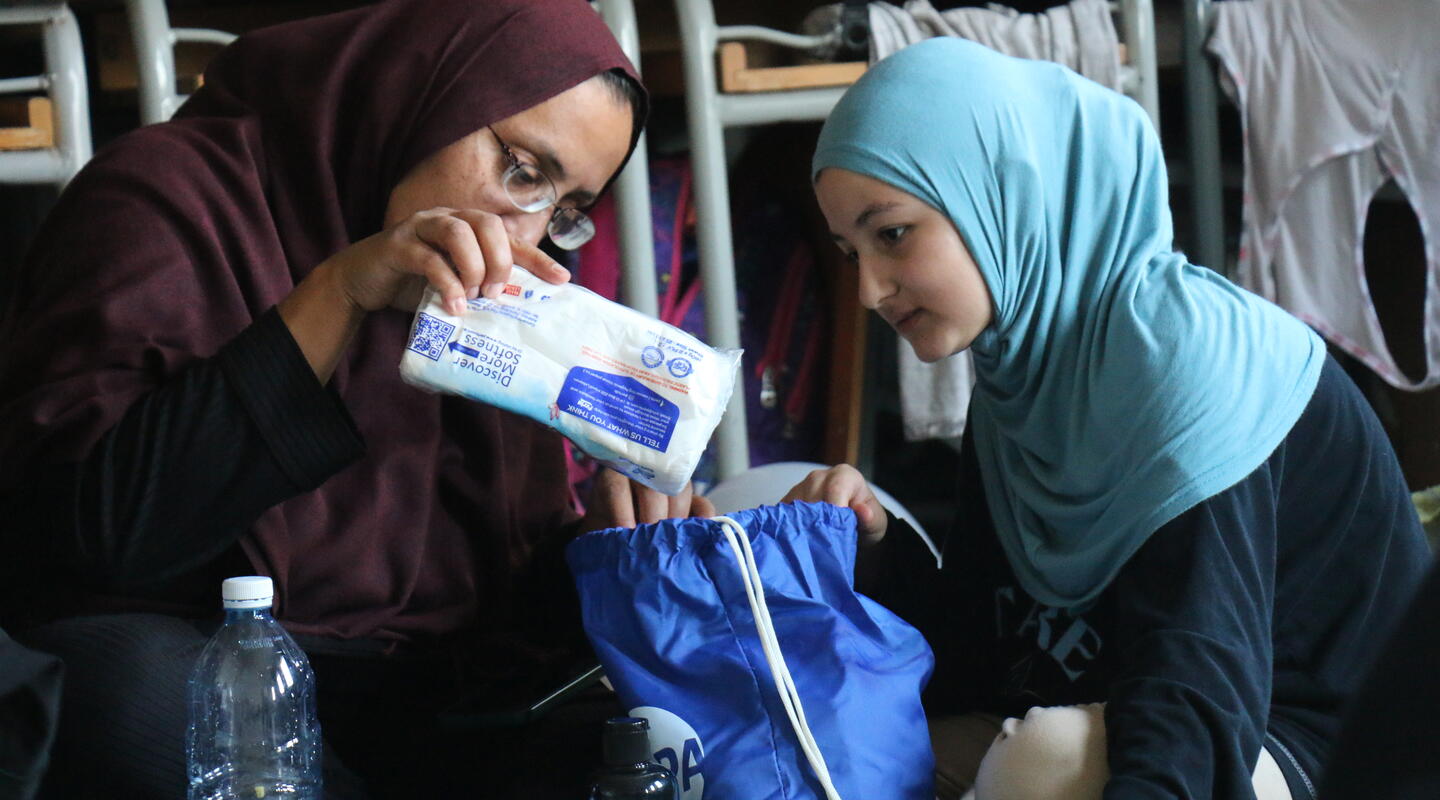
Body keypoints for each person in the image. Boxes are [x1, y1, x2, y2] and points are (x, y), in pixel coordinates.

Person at [0, 1, 712, 796]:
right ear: (423, 92)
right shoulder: (168, 198)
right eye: (523, 171)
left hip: (415, 710)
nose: (530, 230)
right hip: (210, 665)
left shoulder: (476, 315)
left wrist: (612, 544)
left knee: (655, 745)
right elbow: (90, 542)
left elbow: (489, 615)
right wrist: (339, 292)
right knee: (138, 700)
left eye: (566, 210)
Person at [784, 37, 1432, 799]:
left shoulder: (1192, 372)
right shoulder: (1028, 379)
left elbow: (1193, 696)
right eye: (849, 251)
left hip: (1327, 750)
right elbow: (989, 657)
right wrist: (875, 556)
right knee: (841, 748)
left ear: (1008, 192)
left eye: (892, 233)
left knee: (1046, 763)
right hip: (1147, 703)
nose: (869, 291)